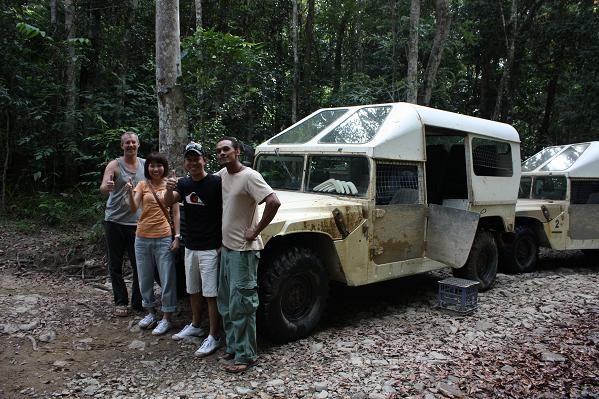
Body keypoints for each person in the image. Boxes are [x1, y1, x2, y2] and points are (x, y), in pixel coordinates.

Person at [215, 136, 281, 373]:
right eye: (219, 151)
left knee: (242, 304)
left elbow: (273, 202)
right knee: (226, 302)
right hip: (226, 248)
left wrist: (256, 229)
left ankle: (246, 355)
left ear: (238, 151)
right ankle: (234, 346)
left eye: (226, 149)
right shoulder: (222, 175)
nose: (222, 153)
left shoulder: (250, 176)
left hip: (244, 251)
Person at [164, 141, 223, 357]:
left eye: (196, 158)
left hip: (211, 246)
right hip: (191, 245)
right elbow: (168, 202)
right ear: (185, 163)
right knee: (193, 289)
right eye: (189, 159)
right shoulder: (183, 184)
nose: (193, 162)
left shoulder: (216, 182)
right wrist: (169, 190)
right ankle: (196, 325)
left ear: (204, 159)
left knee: (211, 293)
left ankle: (214, 335)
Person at [125, 152, 180, 335]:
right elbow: (133, 208)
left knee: (167, 278)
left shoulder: (171, 185)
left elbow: (175, 213)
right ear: (147, 168)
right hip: (142, 238)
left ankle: (166, 317)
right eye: (152, 166)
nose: (155, 169)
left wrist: (177, 237)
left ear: (164, 167)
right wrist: (128, 192)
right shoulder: (142, 185)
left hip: (164, 236)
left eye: (159, 165)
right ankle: (150, 312)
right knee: (144, 277)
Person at [99, 131, 144, 317]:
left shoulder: (145, 165)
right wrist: (107, 187)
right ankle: (121, 301)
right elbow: (103, 187)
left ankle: (138, 301)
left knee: (139, 264)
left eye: (133, 142)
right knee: (115, 264)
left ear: (138, 144)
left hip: (137, 223)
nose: (130, 145)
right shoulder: (115, 165)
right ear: (122, 146)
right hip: (115, 221)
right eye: (127, 143)